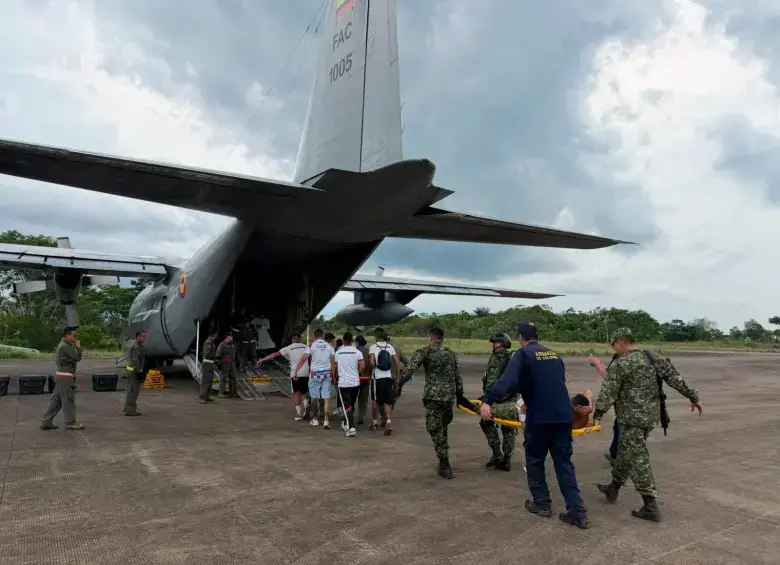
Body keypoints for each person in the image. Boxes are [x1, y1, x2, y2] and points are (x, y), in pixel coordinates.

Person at [480, 322, 589, 529]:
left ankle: (542, 504)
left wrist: (488, 400)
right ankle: (577, 513)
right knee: (564, 464)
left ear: (521, 337)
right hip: (563, 417)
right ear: (536, 336)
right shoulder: (554, 354)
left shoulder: (522, 355)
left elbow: (507, 381)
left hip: (540, 418)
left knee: (535, 460)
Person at [589, 328, 703, 523]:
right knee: (627, 451)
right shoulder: (652, 356)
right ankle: (613, 488)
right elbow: (675, 378)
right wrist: (693, 397)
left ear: (620, 343)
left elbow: (609, 392)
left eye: (614, 345)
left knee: (638, 459)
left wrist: (598, 415)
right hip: (651, 417)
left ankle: (650, 504)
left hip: (631, 420)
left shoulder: (621, 363)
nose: (614, 349)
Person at [398, 327, 463, 479]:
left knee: (434, 428)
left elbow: (409, 370)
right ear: (442, 338)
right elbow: (457, 376)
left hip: (433, 398)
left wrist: (399, 385)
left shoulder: (424, 352)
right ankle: (444, 455)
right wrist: (460, 396)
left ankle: (444, 462)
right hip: (448, 398)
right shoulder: (451, 354)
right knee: (442, 427)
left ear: (431, 338)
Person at [481, 333, 516, 471]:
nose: (492, 345)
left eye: (494, 343)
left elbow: (492, 380)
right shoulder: (511, 357)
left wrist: (487, 399)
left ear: (500, 343)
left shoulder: (496, 358)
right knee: (508, 427)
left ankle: (496, 454)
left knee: (485, 421)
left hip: (497, 398)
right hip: (511, 397)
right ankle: (506, 459)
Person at [258, 332, 311, 421]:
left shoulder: (288, 348)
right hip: (307, 372)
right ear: (300, 339)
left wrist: (262, 359)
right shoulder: (307, 347)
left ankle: (299, 414)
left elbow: (275, 355)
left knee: (296, 392)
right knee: (304, 391)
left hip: (295, 373)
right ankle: (306, 405)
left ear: (292, 340)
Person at [41, 327, 85, 430]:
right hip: (66, 377)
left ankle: (46, 421)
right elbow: (77, 358)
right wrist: (78, 347)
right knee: (68, 400)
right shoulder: (65, 347)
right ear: (67, 335)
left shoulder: (64, 345)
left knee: (56, 401)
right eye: (74, 335)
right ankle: (70, 423)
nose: (75, 338)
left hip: (61, 376)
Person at [294, 328, 335, 429]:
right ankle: (326, 420)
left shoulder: (311, 345)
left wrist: (296, 371)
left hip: (315, 374)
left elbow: (304, 358)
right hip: (327, 374)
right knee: (326, 397)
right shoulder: (329, 346)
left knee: (314, 396)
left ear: (314, 336)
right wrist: (333, 375)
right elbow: (332, 362)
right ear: (323, 335)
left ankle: (315, 419)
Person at [369, 328, 401, 435]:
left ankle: (374, 423)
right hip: (387, 377)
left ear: (376, 336)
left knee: (375, 401)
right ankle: (388, 422)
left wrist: (372, 366)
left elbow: (372, 362)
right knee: (387, 402)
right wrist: (397, 377)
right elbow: (397, 363)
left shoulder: (373, 347)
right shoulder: (390, 347)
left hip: (376, 378)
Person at [334, 332, 365, 437]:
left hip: (344, 383)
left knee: (347, 406)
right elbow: (362, 366)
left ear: (343, 340)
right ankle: (347, 422)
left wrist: (335, 377)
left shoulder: (339, 352)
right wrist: (358, 373)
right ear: (352, 340)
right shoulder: (357, 352)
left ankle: (351, 427)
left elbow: (336, 367)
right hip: (355, 382)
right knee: (351, 404)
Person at [124, 331, 147, 416]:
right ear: (138, 336)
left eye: (145, 337)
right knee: (133, 391)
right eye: (143, 336)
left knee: (131, 389)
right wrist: (139, 372)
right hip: (133, 370)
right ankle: (130, 410)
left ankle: (128, 407)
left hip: (131, 369)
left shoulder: (135, 344)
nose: (145, 338)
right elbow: (135, 361)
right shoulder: (136, 346)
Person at [354, 335, 371, 425]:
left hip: (354, 377)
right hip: (365, 377)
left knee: (351, 397)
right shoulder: (368, 351)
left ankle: (350, 414)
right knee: (363, 398)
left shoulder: (354, 351)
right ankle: (361, 416)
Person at [216, 333, 238, 399]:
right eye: (230, 336)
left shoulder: (234, 344)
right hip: (224, 364)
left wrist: (238, 361)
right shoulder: (222, 345)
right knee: (223, 379)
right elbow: (218, 356)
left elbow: (236, 353)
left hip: (232, 363)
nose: (232, 338)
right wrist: (218, 365)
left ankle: (232, 392)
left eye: (232, 336)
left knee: (233, 378)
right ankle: (221, 393)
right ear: (227, 337)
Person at [199, 330, 218, 404]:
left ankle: (207, 396)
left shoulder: (212, 342)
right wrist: (215, 356)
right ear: (213, 335)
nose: (217, 336)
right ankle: (201, 397)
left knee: (209, 381)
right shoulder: (208, 342)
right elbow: (206, 354)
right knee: (205, 381)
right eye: (216, 334)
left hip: (211, 364)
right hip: (207, 364)